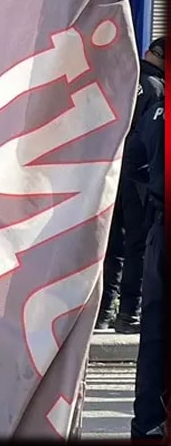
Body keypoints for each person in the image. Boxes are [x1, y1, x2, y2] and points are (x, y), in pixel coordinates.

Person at [98, 36, 164, 333]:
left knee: (111, 244)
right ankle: (128, 313)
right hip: (138, 178)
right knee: (136, 246)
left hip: (110, 169)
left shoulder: (123, 78)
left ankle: (103, 310)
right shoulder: (157, 88)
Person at [124, 98, 164, 440]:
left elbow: (133, 160)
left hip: (160, 231)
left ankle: (148, 423)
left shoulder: (156, 112)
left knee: (154, 333)